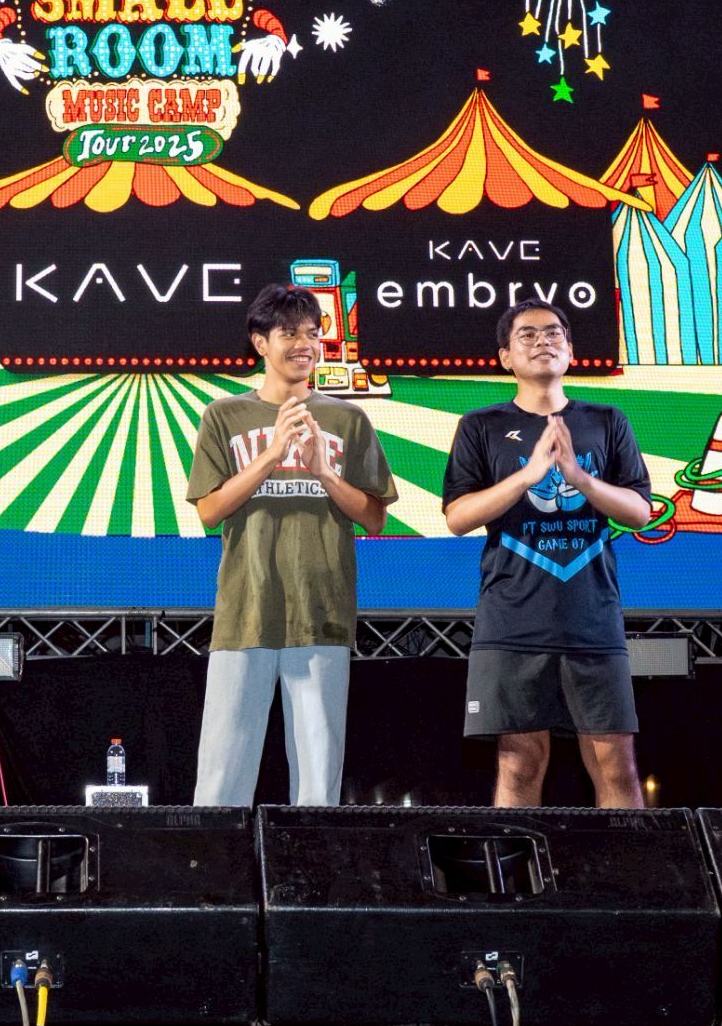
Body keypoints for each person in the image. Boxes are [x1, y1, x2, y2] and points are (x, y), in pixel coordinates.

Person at [185, 284, 398, 805]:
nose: (304, 345)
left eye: (312, 333)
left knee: (319, 781)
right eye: (289, 334)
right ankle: (217, 862)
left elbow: (375, 519)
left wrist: (324, 471)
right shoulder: (224, 415)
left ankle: (311, 863)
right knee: (221, 777)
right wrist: (272, 453)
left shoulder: (348, 419)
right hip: (245, 612)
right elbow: (209, 511)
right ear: (261, 342)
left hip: (322, 611)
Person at [443, 302, 655, 808]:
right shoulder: (481, 425)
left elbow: (639, 512)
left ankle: (628, 863)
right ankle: (517, 864)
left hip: (593, 619)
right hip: (512, 621)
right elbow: (458, 517)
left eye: (554, 332)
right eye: (528, 335)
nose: (543, 341)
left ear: (571, 349)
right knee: (519, 764)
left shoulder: (606, 420)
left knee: (617, 766)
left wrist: (579, 478)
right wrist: (529, 475)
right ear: (505, 357)